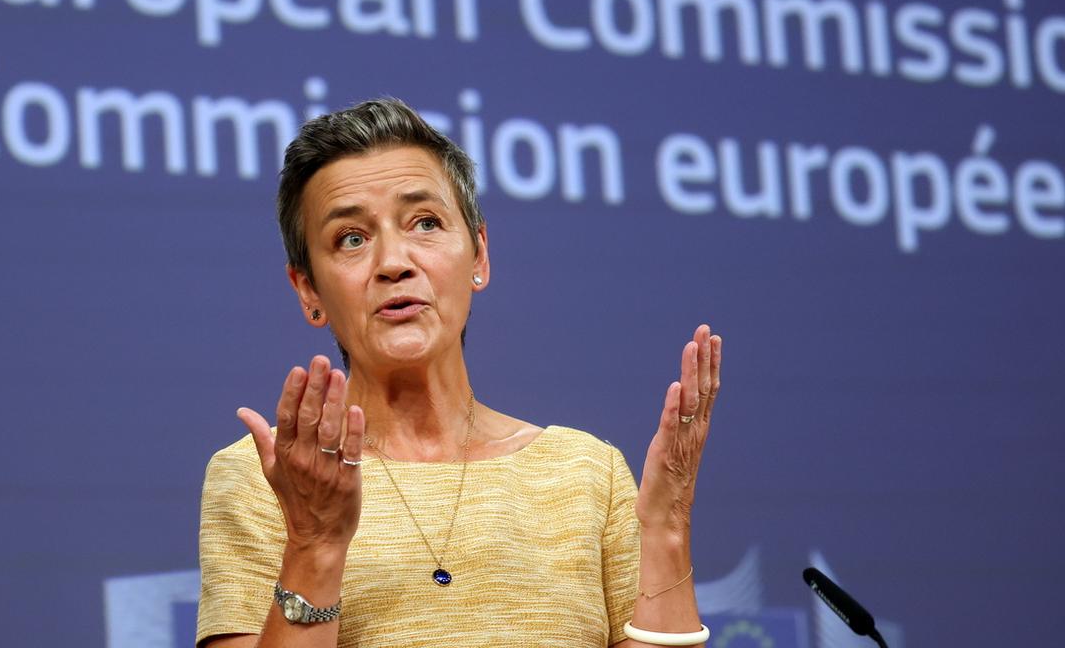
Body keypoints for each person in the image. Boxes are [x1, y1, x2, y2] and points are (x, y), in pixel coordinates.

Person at [196, 99, 722, 648]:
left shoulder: (588, 475)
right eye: (351, 238)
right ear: (308, 289)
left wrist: (666, 527)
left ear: (479, 256)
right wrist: (316, 543)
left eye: (425, 223)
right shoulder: (271, 477)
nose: (394, 262)